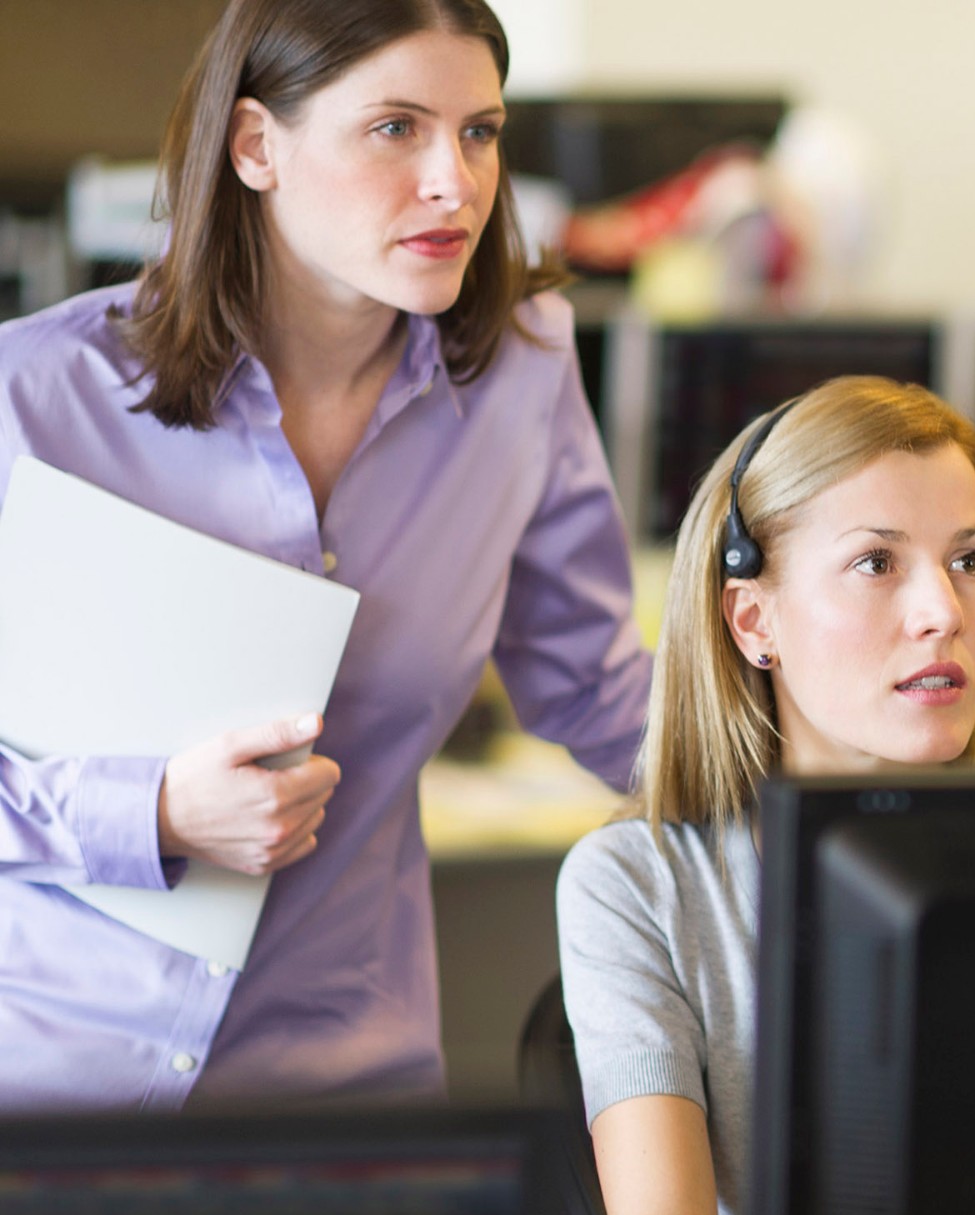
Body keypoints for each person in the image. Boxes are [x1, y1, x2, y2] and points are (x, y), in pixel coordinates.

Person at [0, 0, 651, 1112]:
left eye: (480, 132)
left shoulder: (521, 375)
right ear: (257, 146)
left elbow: (600, 694)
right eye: (395, 128)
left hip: (341, 1093)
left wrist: (847, 780)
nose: (453, 181)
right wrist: (149, 813)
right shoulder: (34, 395)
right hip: (51, 1089)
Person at [557, 376, 975, 1215]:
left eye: (968, 561)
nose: (943, 611)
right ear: (755, 620)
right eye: (877, 563)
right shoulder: (643, 884)